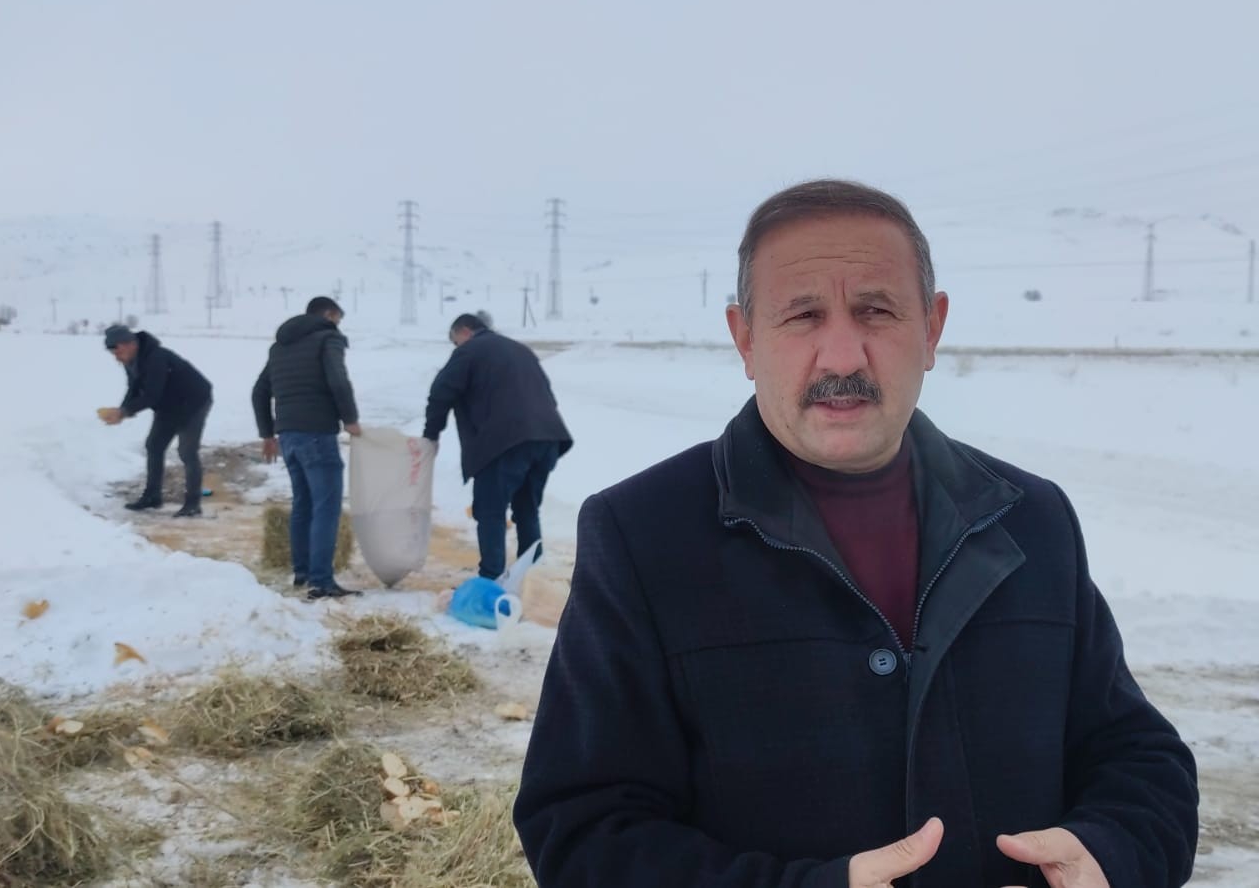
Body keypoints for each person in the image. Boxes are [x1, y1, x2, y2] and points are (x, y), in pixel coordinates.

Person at [513, 180, 1199, 888]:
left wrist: (1112, 855)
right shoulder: (643, 533)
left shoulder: (1031, 519)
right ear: (745, 338)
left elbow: (1138, 756)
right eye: (802, 315)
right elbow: (583, 830)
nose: (842, 357)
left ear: (930, 328)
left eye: (876, 310)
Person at [423, 313, 573, 581]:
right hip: (547, 438)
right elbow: (547, 395)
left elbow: (440, 392)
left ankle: (490, 579)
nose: (456, 348)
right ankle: (530, 580)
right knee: (527, 509)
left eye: (455, 342)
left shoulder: (469, 351)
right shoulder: (520, 350)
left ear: (465, 331)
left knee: (490, 510)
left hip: (505, 443)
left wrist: (430, 435)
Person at [251, 296, 363, 600]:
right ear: (328, 314)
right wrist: (350, 419)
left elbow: (259, 392)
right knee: (326, 507)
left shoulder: (280, 347)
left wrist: (268, 434)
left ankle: (301, 573)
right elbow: (338, 380)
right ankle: (321, 581)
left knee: (303, 503)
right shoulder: (329, 338)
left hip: (288, 435)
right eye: (337, 318)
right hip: (317, 432)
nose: (338, 325)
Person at [101, 325, 213, 517]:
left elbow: (152, 395)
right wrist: (122, 410)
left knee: (186, 451)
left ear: (130, 344)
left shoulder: (156, 358)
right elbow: (134, 388)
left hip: (194, 402)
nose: (116, 357)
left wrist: (124, 412)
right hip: (168, 405)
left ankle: (193, 504)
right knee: (154, 445)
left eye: (117, 351)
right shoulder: (131, 361)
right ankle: (152, 497)